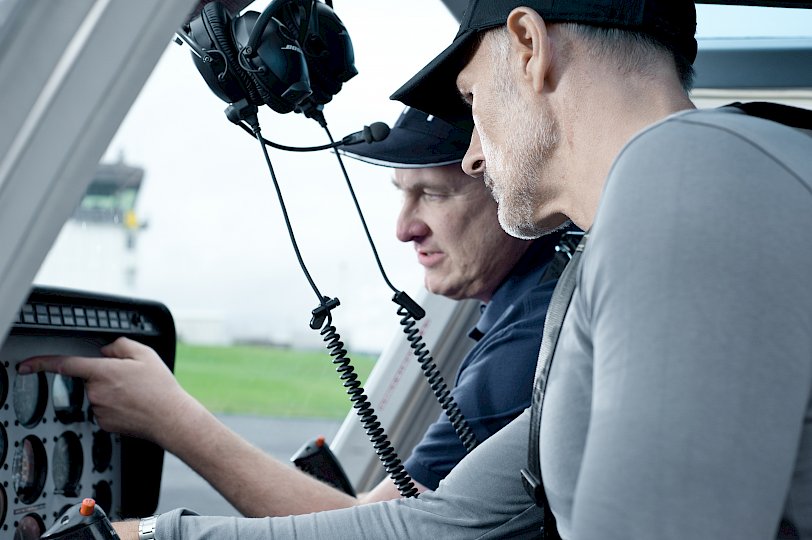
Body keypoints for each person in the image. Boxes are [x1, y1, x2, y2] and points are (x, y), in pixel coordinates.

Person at [61, 0, 812, 538]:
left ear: (529, 44)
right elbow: (442, 525)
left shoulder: (685, 168)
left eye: (472, 100)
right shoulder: (610, 251)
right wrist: (152, 534)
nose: (477, 154)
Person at [20, 107, 566, 518]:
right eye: (402, 194)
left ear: (513, 187)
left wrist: (169, 417)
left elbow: (376, 532)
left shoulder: (532, 336)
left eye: (434, 194)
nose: (404, 228)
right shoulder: (525, 301)